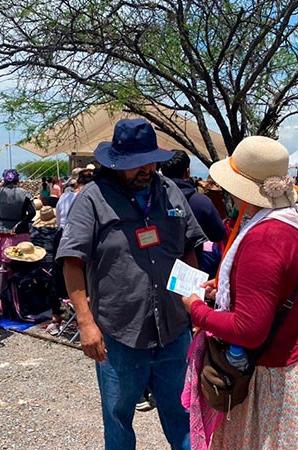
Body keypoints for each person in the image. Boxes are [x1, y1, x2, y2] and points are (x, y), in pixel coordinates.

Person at [180, 136, 298, 449]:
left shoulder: (263, 238)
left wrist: (196, 309)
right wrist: (230, 288)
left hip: (280, 371)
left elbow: (249, 330)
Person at [57, 118, 205, 450]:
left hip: (173, 330)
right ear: (117, 163)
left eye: (150, 160)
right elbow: (72, 261)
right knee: (118, 418)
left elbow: (189, 249)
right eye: (137, 163)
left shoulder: (168, 192)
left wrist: (193, 303)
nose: (146, 168)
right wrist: (85, 322)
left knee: (183, 415)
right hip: (120, 332)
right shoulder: (94, 198)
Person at [159, 150, 226, 276]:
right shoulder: (201, 202)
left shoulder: (153, 200)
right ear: (187, 172)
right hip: (192, 270)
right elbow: (218, 234)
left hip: (158, 271)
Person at [0, 169, 36, 264]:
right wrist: (21, 224)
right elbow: (32, 212)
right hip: (20, 231)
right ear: (17, 180)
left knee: (3, 260)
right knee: (20, 260)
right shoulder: (25, 193)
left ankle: (2, 278)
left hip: (2, 230)